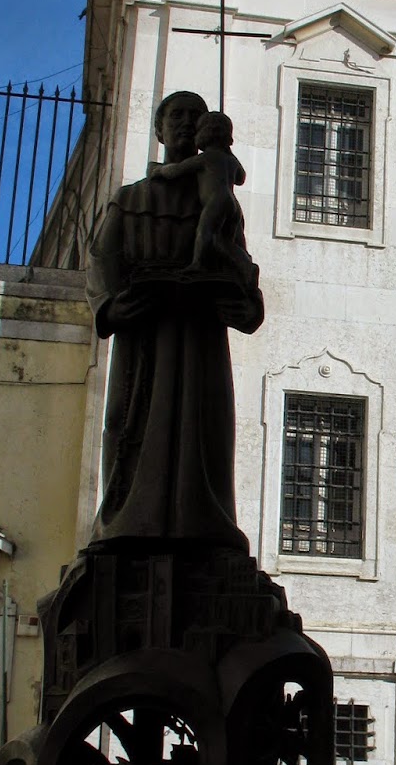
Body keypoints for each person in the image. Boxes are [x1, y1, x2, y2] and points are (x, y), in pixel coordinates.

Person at [85, 91, 264, 550]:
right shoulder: (130, 199)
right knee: (131, 426)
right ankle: (124, 523)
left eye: (195, 116)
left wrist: (247, 304)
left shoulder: (217, 200)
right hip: (145, 331)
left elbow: (238, 263)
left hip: (201, 335)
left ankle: (206, 524)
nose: (186, 123)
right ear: (159, 129)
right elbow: (102, 261)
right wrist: (111, 306)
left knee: (204, 433)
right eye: (176, 115)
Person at [148, 109, 247, 272]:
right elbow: (240, 178)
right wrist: (229, 152)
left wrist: (159, 171)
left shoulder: (206, 158)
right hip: (232, 204)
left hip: (216, 201)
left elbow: (177, 170)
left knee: (205, 232)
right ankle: (245, 265)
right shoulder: (230, 160)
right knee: (226, 241)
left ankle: (198, 263)